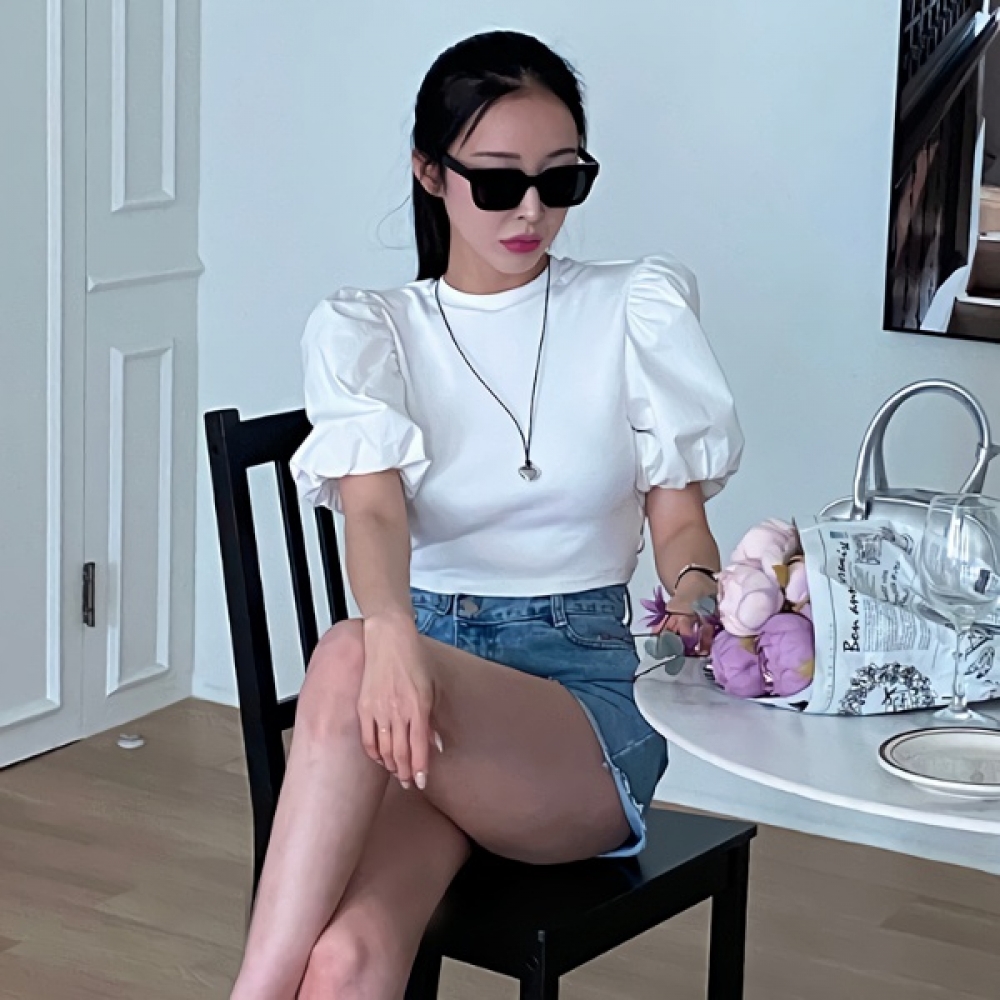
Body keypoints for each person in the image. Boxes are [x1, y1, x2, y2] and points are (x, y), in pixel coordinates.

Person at [229, 28, 743, 1000]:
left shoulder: (633, 307)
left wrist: (696, 592)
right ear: (430, 172)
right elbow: (372, 515)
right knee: (342, 962)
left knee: (348, 653)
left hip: (576, 717)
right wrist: (394, 638)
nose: (533, 211)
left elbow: (678, 522)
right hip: (413, 699)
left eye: (562, 180)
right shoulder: (373, 330)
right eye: (500, 182)